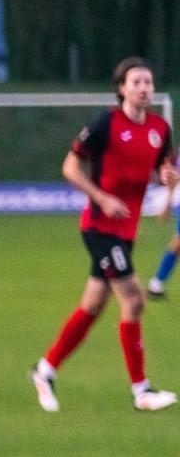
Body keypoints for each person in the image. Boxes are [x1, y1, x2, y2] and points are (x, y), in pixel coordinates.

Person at [30, 57, 180, 413]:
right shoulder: (105, 124)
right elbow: (70, 166)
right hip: (99, 228)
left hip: (126, 231)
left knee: (93, 306)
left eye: (148, 82)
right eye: (136, 82)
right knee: (134, 300)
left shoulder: (159, 128)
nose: (144, 88)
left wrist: (167, 178)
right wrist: (101, 198)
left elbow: (162, 169)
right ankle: (141, 391)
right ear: (121, 89)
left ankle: (44, 370)